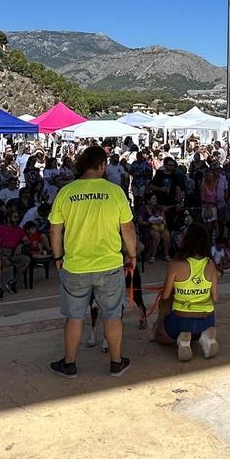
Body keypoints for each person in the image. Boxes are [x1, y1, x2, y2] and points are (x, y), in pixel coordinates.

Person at [48, 145, 137, 379]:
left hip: (75, 265)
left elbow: (55, 229)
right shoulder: (115, 192)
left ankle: (69, 364)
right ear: (102, 165)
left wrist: (57, 257)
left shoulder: (66, 192)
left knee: (74, 316)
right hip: (109, 265)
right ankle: (116, 363)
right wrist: (132, 254)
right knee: (112, 315)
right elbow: (127, 228)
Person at [154, 223, 219, 361]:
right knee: (199, 326)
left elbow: (165, 295)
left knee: (159, 335)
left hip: (181, 320)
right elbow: (215, 298)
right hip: (207, 319)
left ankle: (182, 340)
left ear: (187, 240)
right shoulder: (211, 264)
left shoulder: (176, 264)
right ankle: (204, 335)